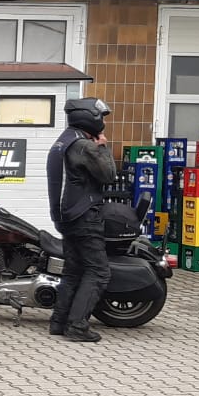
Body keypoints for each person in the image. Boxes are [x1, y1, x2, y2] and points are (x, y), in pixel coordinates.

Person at [45, 98, 117, 343]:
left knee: (73, 271)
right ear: (89, 117)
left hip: (66, 216)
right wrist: (103, 148)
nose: (103, 122)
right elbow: (109, 175)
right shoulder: (84, 146)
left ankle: (58, 322)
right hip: (84, 215)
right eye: (101, 117)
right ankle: (77, 326)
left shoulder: (62, 142)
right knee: (99, 271)